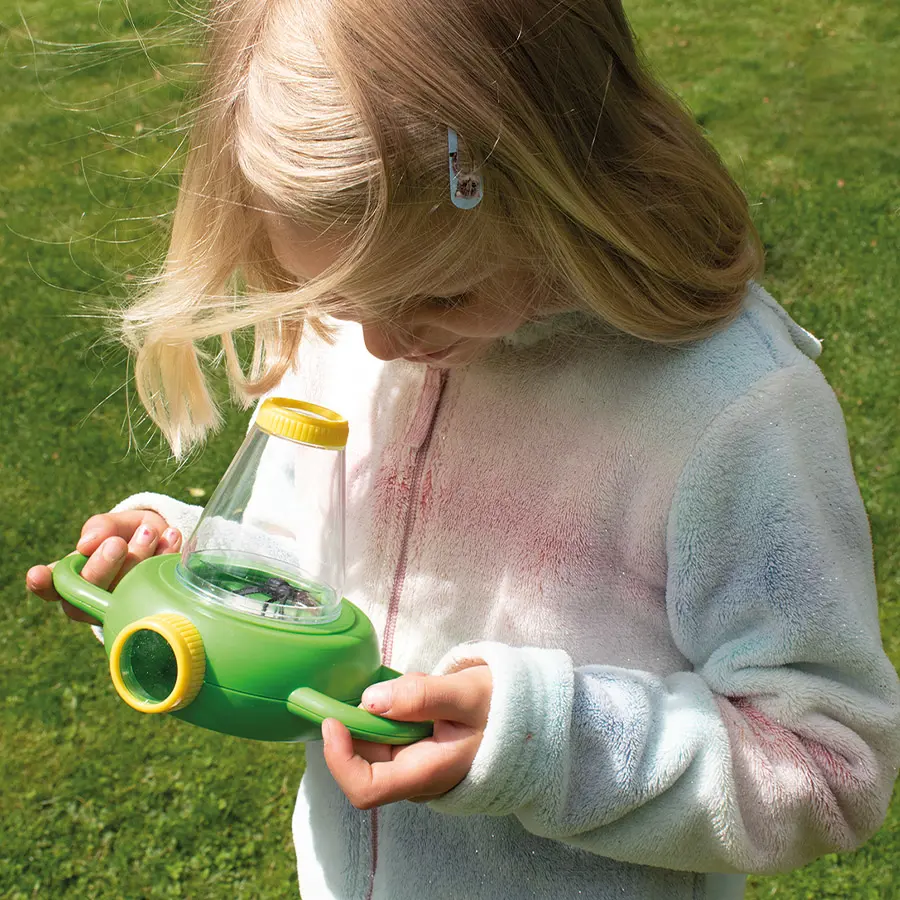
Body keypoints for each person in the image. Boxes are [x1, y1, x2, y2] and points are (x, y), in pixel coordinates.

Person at [26, 0, 900, 897]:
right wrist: (199, 570)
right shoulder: (360, 327)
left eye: (441, 295)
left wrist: (546, 742)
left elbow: (828, 760)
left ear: (561, 187)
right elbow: (309, 567)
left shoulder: (729, 411)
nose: (378, 345)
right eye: (336, 296)